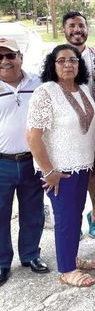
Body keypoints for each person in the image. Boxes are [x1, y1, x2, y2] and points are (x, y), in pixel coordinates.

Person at [27, 44, 95, 287]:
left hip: (82, 167)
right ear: (53, 64)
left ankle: (71, 256)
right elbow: (33, 137)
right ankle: (67, 270)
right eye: (62, 60)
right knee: (66, 218)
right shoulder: (46, 92)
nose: (68, 64)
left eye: (73, 60)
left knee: (74, 216)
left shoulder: (82, 90)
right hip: (59, 170)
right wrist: (49, 171)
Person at [0, 38, 49, 287]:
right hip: (2, 163)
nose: (5, 61)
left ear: (20, 56)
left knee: (33, 212)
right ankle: (1, 262)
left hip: (32, 160)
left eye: (9, 55)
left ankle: (30, 255)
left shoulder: (38, 83)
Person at [62, 11, 95, 239]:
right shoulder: (56, 56)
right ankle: (75, 218)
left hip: (94, 125)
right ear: (64, 30)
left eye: (81, 25)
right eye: (72, 26)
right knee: (70, 173)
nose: (77, 30)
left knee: (93, 171)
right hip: (66, 127)